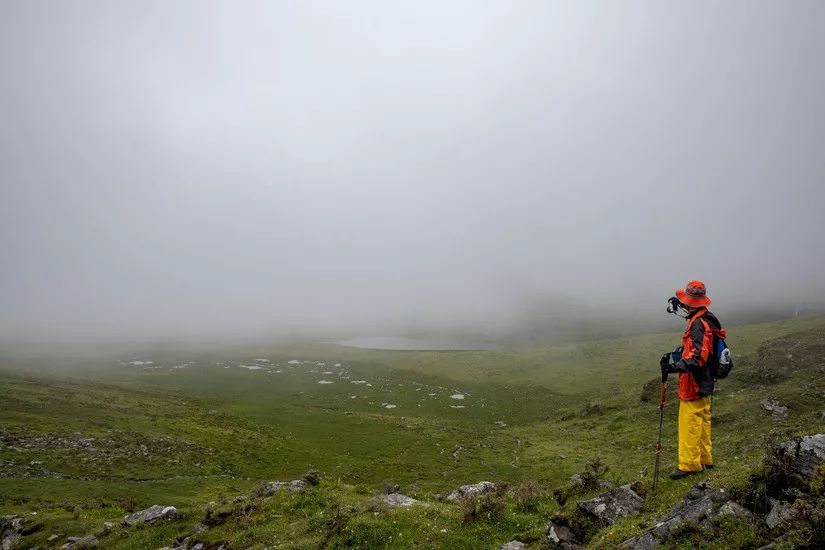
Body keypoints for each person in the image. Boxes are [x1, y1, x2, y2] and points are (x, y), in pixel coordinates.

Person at [660, 280, 727, 479]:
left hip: (695, 381)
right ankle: (705, 459)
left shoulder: (698, 324)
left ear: (690, 303)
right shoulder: (707, 318)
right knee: (702, 420)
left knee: (689, 422)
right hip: (706, 379)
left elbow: (697, 357)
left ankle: (689, 465)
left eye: (684, 302)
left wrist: (674, 367)